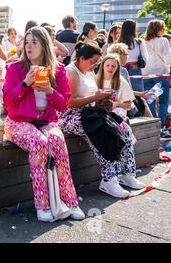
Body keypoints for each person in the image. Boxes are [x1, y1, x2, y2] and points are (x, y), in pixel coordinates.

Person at [3, 26, 84, 222]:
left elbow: (64, 104)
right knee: (39, 142)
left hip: (46, 120)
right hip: (17, 122)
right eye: (27, 42)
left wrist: (49, 90)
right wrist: (25, 83)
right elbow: (8, 102)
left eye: (34, 43)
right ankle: (43, 205)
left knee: (57, 140)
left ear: (44, 45)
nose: (29, 47)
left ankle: (70, 201)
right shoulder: (15, 68)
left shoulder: (58, 70)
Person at [58, 42, 145, 199]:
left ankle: (127, 173)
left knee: (122, 127)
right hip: (69, 116)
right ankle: (109, 179)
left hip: (90, 112)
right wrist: (95, 97)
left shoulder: (88, 71)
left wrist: (101, 100)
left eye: (96, 63)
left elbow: (90, 97)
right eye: (92, 62)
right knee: (100, 130)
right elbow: (69, 103)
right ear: (82, 59)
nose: (94, 66)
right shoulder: (71, 72)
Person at [143, 20, 171, 132]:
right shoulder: (163, 40)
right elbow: (168, 57)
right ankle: (161, 125)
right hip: (161, 73)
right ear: (159, 29)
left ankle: (153, 124)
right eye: (162, 28)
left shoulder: (143, 41)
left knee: (150, 100)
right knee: (163, 101)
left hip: (146, 73)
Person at [95, 54, 135, 118]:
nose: (110, 68)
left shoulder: (121, 82)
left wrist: (116, 104)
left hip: (117, 114)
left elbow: (129, 105)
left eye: (113, 66)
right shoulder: (94, 80)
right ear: (102, 66)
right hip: (99, 112)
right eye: (107, 65)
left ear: (117, 68)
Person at [118, 19, 148, 92]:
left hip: (121, 68)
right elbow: (145, 57)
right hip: (135, 68)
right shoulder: (139, 42)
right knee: (138, 93)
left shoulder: (118, 42)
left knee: (123, 92)